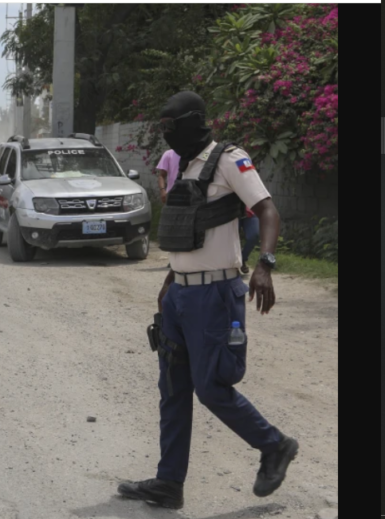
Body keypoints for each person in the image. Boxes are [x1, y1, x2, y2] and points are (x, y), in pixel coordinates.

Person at [117, 91, 297, 509]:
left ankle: (274, 445)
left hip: (215, 295)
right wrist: (169, 282)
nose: (166, 135)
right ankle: (168, 483)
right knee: (173, 389)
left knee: (212, 387)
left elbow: (268, 211)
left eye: (170, 126)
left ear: (195, 122)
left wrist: (265, 264)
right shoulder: (182, 165)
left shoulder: (230, 160)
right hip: (180, 294)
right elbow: (187, 230)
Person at [239, 207, 260, 274]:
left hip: (250, 210)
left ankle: (242, 259)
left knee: (253, 236)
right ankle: (233, 264)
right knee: (232, 238)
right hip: (232, 211)